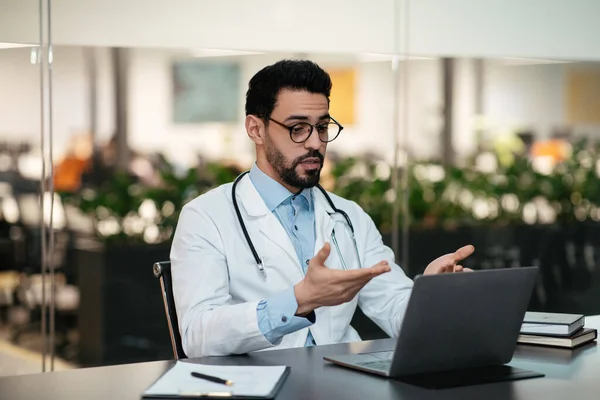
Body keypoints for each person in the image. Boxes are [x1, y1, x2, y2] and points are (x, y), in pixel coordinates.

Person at [170, 60, 474, 358]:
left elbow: (392, 305)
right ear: (256, 129)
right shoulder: (205, 217)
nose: (316, 142)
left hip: (341, 382)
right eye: (298, 128)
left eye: (323, 127)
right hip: (257, 384)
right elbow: (198, 335)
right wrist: (297, 301)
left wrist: (430, 297)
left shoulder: (349, 216)